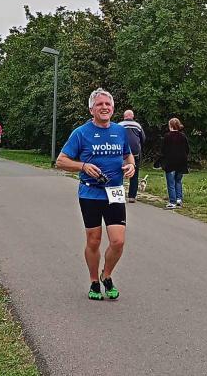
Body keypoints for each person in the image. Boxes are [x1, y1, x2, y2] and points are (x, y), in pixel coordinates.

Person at [56, 88, 136, 301]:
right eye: (99, 104)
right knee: (94, 240)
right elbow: (61, 161)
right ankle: (93, 281)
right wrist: (83, 166)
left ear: (113, 108)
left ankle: (106, 275)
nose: (104, 107)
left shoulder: (120, 131)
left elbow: (128, 156)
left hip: (115, 192)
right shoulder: (81, 133)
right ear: (91, 109)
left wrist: (131, 166)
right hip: (90, 193)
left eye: (108, 104)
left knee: (118, 241)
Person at [160, 117, 189, 209]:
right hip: (181, 162)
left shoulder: (167, 136)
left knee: (171, 183)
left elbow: (163, 150)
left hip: (170, 162)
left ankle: (172, 201)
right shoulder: (183, 136)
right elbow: (187, 149)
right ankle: (179, 199)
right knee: (178, 181)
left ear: (170, 126)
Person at [118, 110, 145, 203]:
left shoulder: (119, 125)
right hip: (135, 153)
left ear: (124, 116)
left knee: (119, 173)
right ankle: (132, 196)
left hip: (121, 152)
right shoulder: (138, 126)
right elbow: (143, 139)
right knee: (135, 174)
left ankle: (118, 194)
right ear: (132, 116)